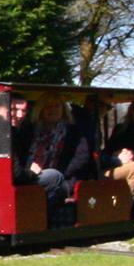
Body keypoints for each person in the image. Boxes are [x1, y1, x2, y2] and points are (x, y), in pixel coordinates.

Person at [23, 95, 92, 223]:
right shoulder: (29, 131)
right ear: (40, 110)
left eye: (57, 106)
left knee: (54, 183)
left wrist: (58, 174)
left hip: (64, 179)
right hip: (32, 177)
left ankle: (40, 223)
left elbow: (81, 158)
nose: (53, 110)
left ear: (63, 109)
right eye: (48, 106)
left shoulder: (73, 132)